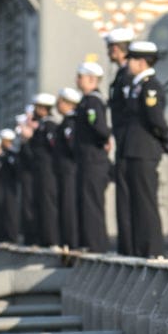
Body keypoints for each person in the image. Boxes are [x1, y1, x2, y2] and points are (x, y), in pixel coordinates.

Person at [117, 40, 168, 257]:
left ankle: (152, 250)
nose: (128, 63)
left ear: (140, 62)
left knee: (146, 202)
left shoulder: (150, 86)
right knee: (137, 202)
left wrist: (163, 139)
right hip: (134, 150)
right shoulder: (138, 85)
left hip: (144, 151)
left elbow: (155, 120)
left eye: (131, 59)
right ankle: (140, 249)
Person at [72, 61, 112, 253]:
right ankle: (90, 242)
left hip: (93, 159)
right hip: (87, 158)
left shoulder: (93, 102)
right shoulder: (87, 101)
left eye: (80, 77)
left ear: (90, 79)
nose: (77, 80)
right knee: (86, 202)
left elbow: (100, 128)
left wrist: (104, 140)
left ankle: (97, 244)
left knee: (92, 203)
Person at [104, 28, 137, 253]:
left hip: (131, 144)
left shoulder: (129, 77)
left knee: (133, 199)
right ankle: (127, 247)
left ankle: (135, 248)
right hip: (123, 143)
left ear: (116, 49)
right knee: (124, 200)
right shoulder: (121, 76)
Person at [29, 92, 61, 246]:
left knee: (48, 205)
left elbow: (54, 147)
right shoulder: (41, 126)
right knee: (40, 204)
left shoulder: (49, 126)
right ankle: (43, 239)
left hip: (48, 170)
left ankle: (51, 239)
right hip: (40, 171)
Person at [54, 87, 82, 248]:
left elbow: (72, 147)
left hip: (69, 171)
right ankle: (67, 241)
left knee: (69, 207)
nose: (58, 105)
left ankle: (72, 241)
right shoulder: (65, 122)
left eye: (60, 102)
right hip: (64, 171)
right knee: (65, 206)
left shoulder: (70, 123)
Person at [15, 111, 38, 245]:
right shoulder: (25, 144)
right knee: (26, 207)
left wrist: (29, 139)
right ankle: (28, 237)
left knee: (33, 207)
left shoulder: (34, 140)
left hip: (34, 178)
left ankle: (34, 237)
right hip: (27, 179)